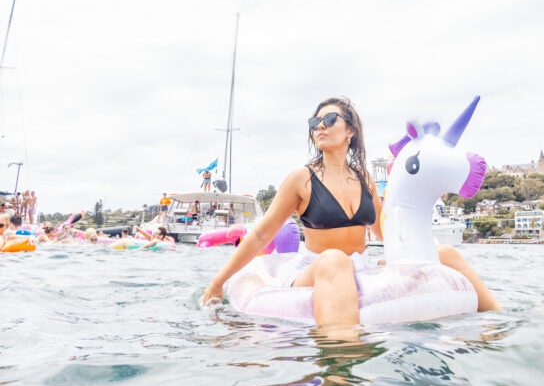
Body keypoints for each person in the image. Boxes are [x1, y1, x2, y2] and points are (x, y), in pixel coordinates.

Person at [202, 97, 501, 326]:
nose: (319, 126)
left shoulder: (364, 179)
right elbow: (259, 236)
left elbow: (387, 233)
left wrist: (415, 253)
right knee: (334, 260)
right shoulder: (300, 179)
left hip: (358, 267)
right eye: (314, 122)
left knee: (447, 253)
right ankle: (341, 361)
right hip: (315, 268)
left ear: (350, 130)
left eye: (329, 119)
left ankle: (498, 328)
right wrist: (217, 283)